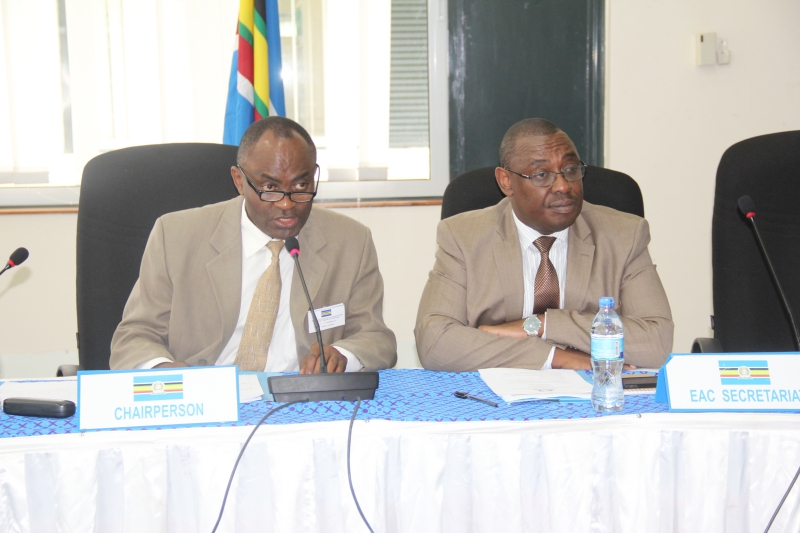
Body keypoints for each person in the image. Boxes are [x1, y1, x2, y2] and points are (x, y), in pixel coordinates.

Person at [110, 117, 396, 373]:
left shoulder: (350, 242)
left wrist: (342, 354)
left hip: (300, 403)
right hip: (206, 403)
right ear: (239, 181)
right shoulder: (175, 236)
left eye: (300, 186)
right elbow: (135, 336)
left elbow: (376, 338)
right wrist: (164, 369)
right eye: (270, 188)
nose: (286, 205)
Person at [415, 118, 673, 371]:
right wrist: (554, 357)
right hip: (496, 398)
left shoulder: (625, 235)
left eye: (571, 170)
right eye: (541, 175)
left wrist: (544, 324)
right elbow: (434, 342)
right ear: (506, 182)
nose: (563, 186)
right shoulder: (463, 236)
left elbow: (656, 344)